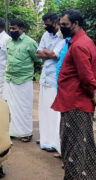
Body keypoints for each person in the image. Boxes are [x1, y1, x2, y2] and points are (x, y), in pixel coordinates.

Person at [51, 10, 96, 179]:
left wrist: (92, 93)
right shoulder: (84, 41)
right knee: (85, 146)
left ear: (76, 24)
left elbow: (86, 77)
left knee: (73, 147)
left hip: (75, 104)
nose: (61, 28)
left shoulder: (78, 46)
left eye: (64, 25)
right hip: (76, 102)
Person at [5, 19, 41, 142]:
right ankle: (13, 132)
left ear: (22, 29)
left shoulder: (30, 43)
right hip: (9, 78)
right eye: (10, 29)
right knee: (10, 107)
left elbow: (38, 60)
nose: (12, 31)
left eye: (14, 29)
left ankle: (26, 133)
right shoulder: (9, 42)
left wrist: (32, 73)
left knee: (24, 107)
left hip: (24, 79)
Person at [36, 13, 65, 154]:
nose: (46, 26)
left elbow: (56, 55)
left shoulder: (62, 37)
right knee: (44, 110)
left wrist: (47, 53)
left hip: (55, 80)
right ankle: (45, 140)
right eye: (45, 24)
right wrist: (49, 53)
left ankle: (55, 142)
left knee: (55, 113)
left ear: (56, 22)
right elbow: (38, 53)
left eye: (48, 24)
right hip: (44, 78)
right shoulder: (45, 35)